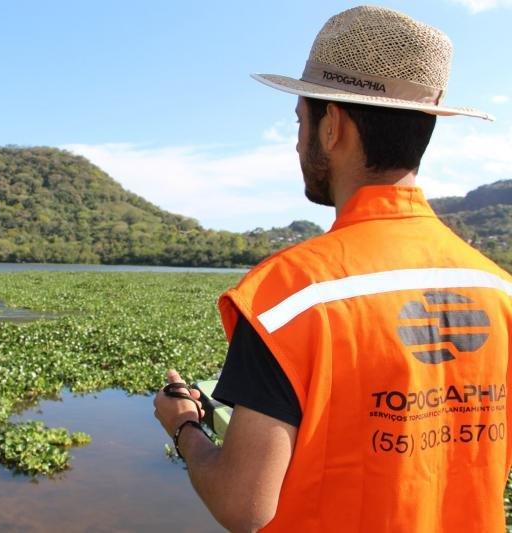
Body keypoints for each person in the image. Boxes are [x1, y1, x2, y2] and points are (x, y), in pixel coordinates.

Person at [153, 5, 512, 532]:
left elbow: (243, 505)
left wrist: (184, 427)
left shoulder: (289, 294)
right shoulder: (498, 290)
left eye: (300, 120)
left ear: (333, 127)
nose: (297, 140)